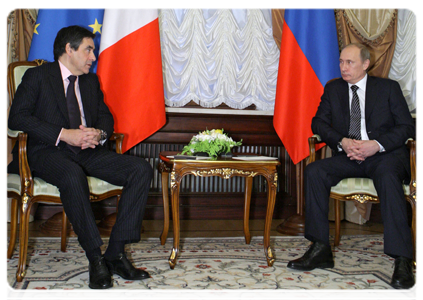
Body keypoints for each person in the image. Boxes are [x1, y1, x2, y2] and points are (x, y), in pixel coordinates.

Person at [8, 25, 153, 290]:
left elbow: (105, 117)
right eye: (88, 49)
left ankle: (117, 253)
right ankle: (95, 258)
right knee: (72, 175)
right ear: (69, 49)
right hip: (45, 152)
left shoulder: (90, 81)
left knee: (140, 169)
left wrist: (99, 134)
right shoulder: (37, 76)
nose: (93, 57)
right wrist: (64, 134)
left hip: (87, 151)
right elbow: (17, 117)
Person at [286, 43, 416, 289]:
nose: (343, 67)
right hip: (348, 155)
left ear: (365, 64)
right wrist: (342, 142)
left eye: (350, 62)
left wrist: (375, 145)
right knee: (315, 171)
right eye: (341, 62)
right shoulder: (334, 88)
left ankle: (402, 259)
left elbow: (406, 127)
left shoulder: (388, 88)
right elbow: (318, 123)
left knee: (388, 177)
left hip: (382, 157)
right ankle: (320, 248)